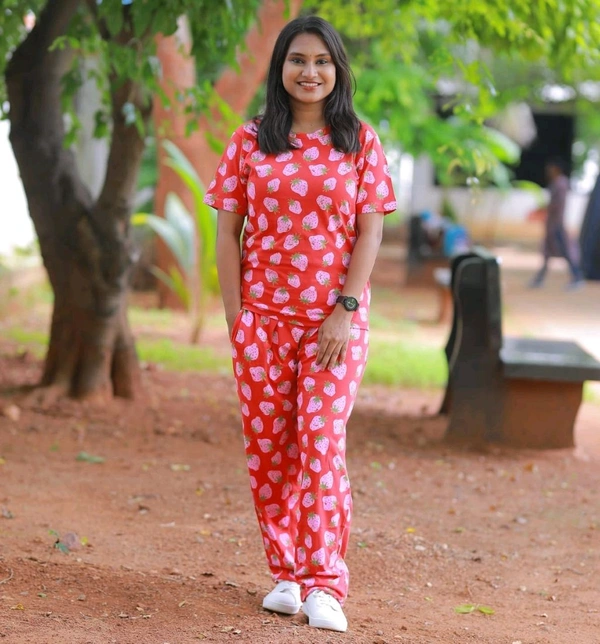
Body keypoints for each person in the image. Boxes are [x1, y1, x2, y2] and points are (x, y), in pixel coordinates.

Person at [204, 15, 396, 633]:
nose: (309, 72)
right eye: (297, 60)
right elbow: (227, 234)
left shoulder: (359, 142)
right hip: (262, 322)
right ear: (280, 68)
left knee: (319, 444)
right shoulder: (250, 141)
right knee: (270, 452)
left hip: (332, 326)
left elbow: (370, 232)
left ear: (337, 69)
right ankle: (286, 574)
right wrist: (237, 318)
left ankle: (325, 583)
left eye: (321, 61)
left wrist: (345, 310)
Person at [529, 157, 585, 290]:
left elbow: (557, 204)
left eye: (551, 169)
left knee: (565, 251)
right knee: (547, 252)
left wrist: (544, 210)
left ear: (557, 169)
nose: (548, 171)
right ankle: (539, 279)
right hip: (552, 224)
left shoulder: (561, 183)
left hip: (556, 224)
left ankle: (577, 277)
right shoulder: (557, 183)